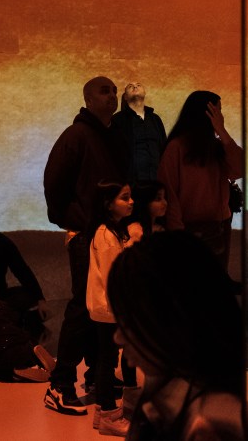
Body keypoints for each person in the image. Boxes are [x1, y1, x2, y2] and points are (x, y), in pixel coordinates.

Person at [108, 231, 248, 440]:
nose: (117, 338)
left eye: (127, 323)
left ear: (172, 320)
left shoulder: (211, 426)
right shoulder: (166, 386)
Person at [43, 76, 127, 416]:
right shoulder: (76, 135)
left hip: (106, 234)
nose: (113, 95)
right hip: (85, 235)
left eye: (114, 90)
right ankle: (59, 384)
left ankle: (96, 375)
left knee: (100, 307)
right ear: (88, 99)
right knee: (82, 307)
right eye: (105, 91)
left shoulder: (112, 137)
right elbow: (54, 183)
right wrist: (73, 219)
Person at [158, 91, 243, 269]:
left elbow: (239, 169)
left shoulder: (217, 146)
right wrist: (178, 233)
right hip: (188, 228)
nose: (221, 116)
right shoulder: (176, 147)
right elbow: (169, 193)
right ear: (207, 113)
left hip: (219, 226)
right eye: (218, 111)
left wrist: (222, 131)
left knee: (217, 279)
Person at [86, 181, 143, 436]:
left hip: (106, 307)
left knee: (106, 359)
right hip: (110, 308)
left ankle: (103, 410)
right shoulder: (107, 235)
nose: (131, 202)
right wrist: (135, 239)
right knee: (107, 360)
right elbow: (113, 275)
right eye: (124, 198)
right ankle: (109, 414)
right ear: (109, 204)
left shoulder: (109, 231)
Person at [112, 81, 167, 183]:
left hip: (156, 181)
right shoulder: (117, 120)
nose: (135, 86)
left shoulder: (155, 119)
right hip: (131, 184)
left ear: (144, 93)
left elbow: (164, 148)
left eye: (138, 85)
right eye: (130, 86)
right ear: (125, 97)